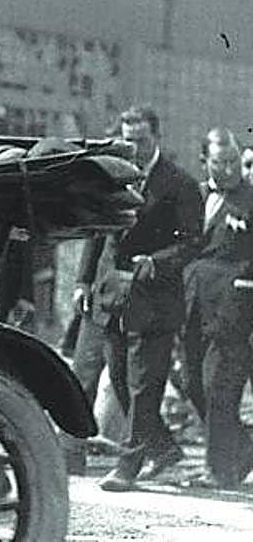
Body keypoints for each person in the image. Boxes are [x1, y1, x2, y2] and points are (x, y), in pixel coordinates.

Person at [77, 105, 201, 492]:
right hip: (112, 296)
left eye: (141, 140)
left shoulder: (180, 184)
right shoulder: (112, 176)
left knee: (144, 384)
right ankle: (162, 450)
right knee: (118, 377)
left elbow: (192, 241)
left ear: (156, 137)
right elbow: (97, 232)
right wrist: (83, 281)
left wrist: (158, 261)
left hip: (155, 300)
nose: (133, 148)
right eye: (127, 140)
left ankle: (128, 465)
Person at [181, 128, 253, 488]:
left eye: (234, 162)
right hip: (193, 305)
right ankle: (242, 447)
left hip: (234, 309)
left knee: (218, 387)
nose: (229, 169)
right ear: (204, 162)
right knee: (192, 381)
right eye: (220, 162)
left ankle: (219, 469)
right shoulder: (194, 196)